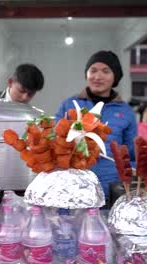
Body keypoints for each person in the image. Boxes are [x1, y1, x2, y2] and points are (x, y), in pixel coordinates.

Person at [55, 50, 138, 199]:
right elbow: (56, 142)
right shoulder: (69, 105)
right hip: (73, 183)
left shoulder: (125, 112)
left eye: (105, 71)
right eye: (93, 70)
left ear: (115, 77)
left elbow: (130, 154)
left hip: (111, 186)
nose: (97, 77)